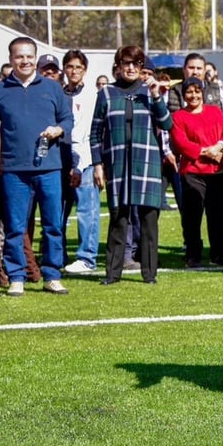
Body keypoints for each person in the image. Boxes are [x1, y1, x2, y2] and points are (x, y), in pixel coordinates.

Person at [0, 37, 73, 297]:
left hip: (49, 168)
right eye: (19, 56)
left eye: (29, 56)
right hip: (13, 169)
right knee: (15, 226)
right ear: (11, 59)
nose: (25, 61)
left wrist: (58, 129)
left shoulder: (52, 88)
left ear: (36, 57)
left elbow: (67, 119)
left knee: (53, 224)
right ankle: (16, 277)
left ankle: (52, 275)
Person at [90, 45, 170, 285]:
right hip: (117, 165)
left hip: (147, 163)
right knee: (118, 219)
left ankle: (149, 273)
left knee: (148, 221)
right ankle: (112, 274)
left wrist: (156, 96)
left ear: (141, 67)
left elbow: (166, 125)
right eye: (127, 63)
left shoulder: (150, 92)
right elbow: (95, 133)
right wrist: (97, 164)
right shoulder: (106, 93)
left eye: (136, 64)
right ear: (118, 66)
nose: (131, 68)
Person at [169, 77, 223, 267]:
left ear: (203, 93)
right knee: (192, 217)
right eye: (189, 92)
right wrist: (207, 151)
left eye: (197, 91)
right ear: (184, 95)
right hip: (192, 173)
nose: (194, 95)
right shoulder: (178, 117)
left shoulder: (215, 111)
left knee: (217, 215)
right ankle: (193, 255)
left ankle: (218, 254)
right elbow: (181, 143)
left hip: (216, 171)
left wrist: (219, 146)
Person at [61, 49, 101, 275]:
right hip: (60, 156)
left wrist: (85, 163)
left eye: (78, 67)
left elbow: (90, 133)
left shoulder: (92, 96)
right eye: (70, 66)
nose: (74, 71)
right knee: (59, 211)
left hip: (84, 158)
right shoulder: (59, 93)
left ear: (84, 70)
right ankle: (58, 254)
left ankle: (87, 257)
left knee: (87, 210)